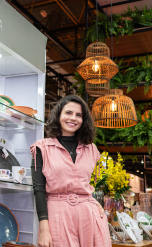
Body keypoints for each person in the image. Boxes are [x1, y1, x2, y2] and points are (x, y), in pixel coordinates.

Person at [31, 95, 110, 247]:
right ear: (59, 115)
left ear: (83, 120)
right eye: (68, 113)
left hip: (89, 215)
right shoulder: (41, 148)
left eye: (79, 115)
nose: (73, 118)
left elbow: (87, 184)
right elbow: (39, 189)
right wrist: (44, 229)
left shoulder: (91, 149)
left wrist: (94, 201)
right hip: (58, 213)